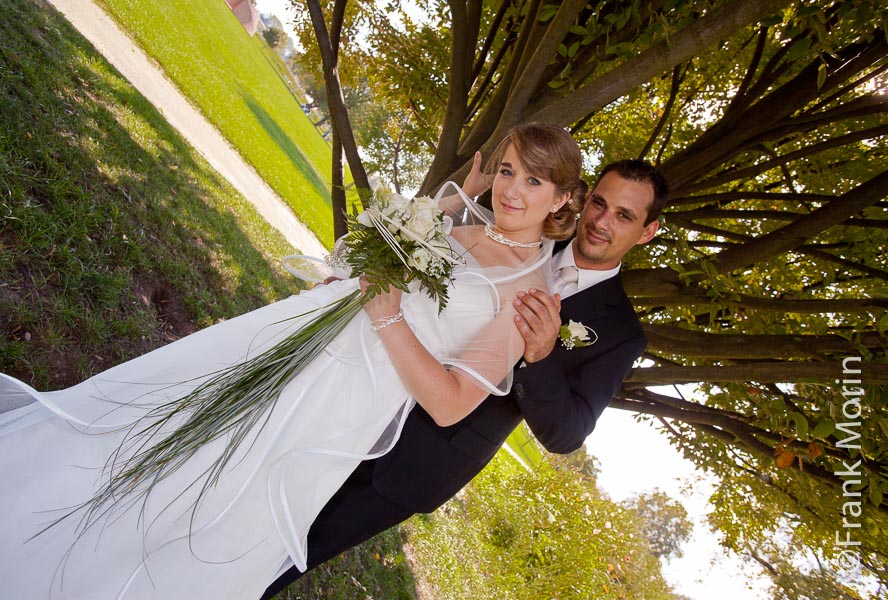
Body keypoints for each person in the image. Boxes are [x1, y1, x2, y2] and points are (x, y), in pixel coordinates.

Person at [0, 122, 585, 599]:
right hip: (300, 339)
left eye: (535, 182)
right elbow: (389, 253)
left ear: (562, 199)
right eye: (508, 171)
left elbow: (452, 403)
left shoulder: (528, 296)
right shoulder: (457, 224)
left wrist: (386, 315)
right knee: (178, 417)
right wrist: (384, 255)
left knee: (222, 495)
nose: (513, 191)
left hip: (340, 406)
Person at [262, 157, 668, 598]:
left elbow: (566, 433)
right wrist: (344, 292)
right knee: (262, 497)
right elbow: (413, 281)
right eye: (599, 204)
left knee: (287, 553)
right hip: (359, 391)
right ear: (583, 200)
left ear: (648, 231)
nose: (601, 222)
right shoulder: (518, 228)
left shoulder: (622, 335)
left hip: (420, 456)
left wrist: (542, 355)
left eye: (624, 216)